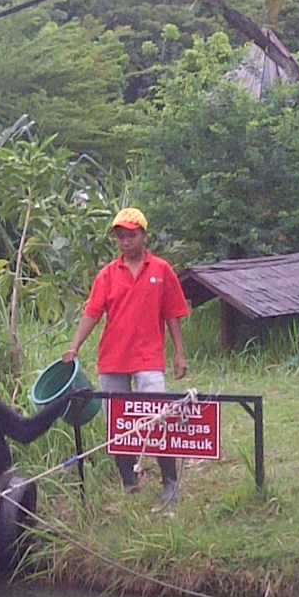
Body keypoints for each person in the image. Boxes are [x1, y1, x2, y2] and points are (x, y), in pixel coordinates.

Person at [62, 207, 189, 503]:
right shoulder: (107, 275)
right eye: (120, 237)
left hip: (148, 358)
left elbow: (172, 314)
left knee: (159, 417)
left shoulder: (161, 270)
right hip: (113, 358)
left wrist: (180, 353)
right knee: (118, 424)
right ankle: (129, 483)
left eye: (131, 235)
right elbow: (92, 313)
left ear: (144, 236)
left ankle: (170, 482)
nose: (126, 242)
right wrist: (74, 346)